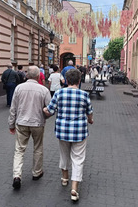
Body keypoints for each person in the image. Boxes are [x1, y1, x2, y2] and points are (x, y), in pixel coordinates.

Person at [43, 69, 93, 202]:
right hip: (79, 132)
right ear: (79, 81)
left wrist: (44, 110)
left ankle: (64, 178)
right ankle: (74, 189)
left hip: (63, 131)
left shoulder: (59, 93)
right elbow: (90, 112)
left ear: (66, 80)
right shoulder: (84, 95)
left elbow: (50, 110)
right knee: (78, 158)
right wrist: (90, 120)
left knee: (64, 154)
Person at [8, 66, 51, 190]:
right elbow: (50, 108)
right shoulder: (43, 90)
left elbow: (13, 108)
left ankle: (17, 176)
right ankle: (36, 172)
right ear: (38, 76)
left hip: (21, 123)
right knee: (38, 148)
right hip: (37, 123)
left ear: (27, 76)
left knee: (19, 150)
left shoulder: (19, 88)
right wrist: (45, 117)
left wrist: (11, 124)